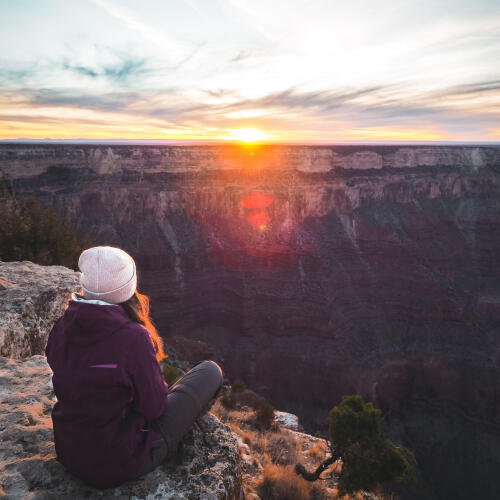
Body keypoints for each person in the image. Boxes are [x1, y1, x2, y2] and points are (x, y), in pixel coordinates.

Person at [45, 245, 224, 489]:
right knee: (210, 372)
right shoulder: (133, 337)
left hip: (69, 452)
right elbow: (154, 408)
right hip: (118, 462)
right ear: (128, 289)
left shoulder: (63, 326)